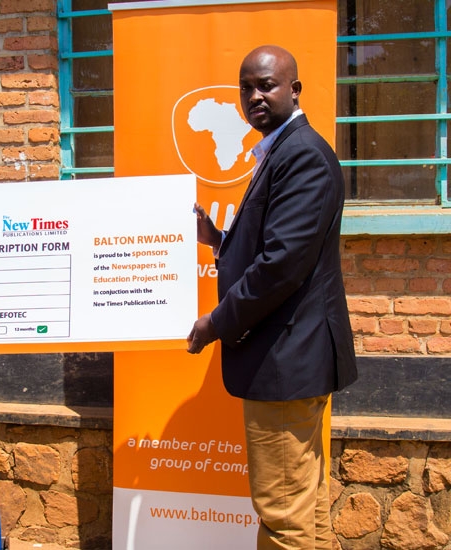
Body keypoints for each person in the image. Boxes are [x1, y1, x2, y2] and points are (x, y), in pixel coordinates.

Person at [187, 45, 358, 549]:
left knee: (284, 513)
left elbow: (280, 267)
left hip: (286, 362)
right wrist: (218, 239)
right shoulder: (281, 151)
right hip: (287, 358)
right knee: (300, 507)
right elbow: (274, 249)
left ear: (295, 90)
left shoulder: (302, 156)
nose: (254, 96)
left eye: (267, 85)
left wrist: (215, 323)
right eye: (246, 87)